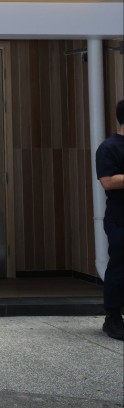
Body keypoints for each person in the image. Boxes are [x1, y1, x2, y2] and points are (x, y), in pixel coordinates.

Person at [95, 99, 124, 341]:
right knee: (120, 267)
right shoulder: (109, 147)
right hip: (120, 219)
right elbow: (108, 181)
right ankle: (113, 317)